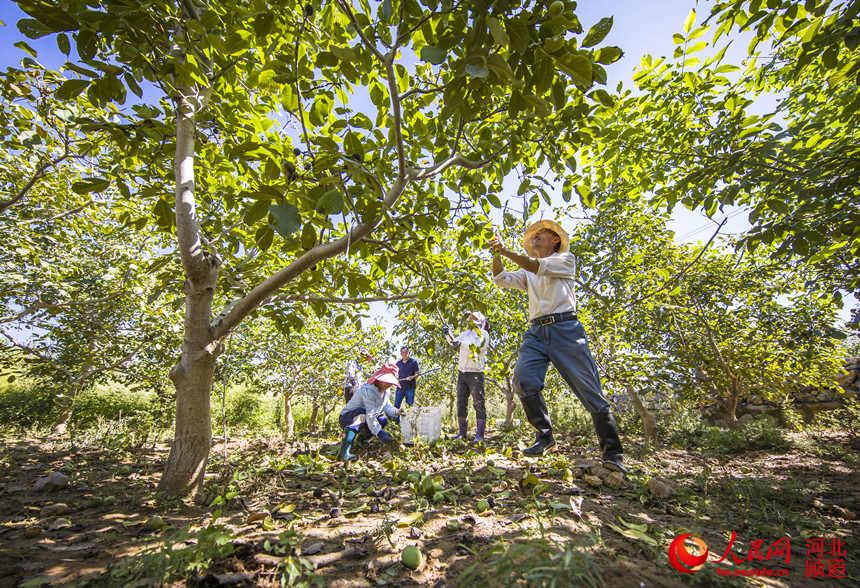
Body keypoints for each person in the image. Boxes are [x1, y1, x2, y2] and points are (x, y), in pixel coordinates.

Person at [489, 220, 626, 473]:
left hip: (565, 329)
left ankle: (612, 452)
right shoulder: (529, 273)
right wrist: (496, 254)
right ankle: (544, 436)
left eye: (541, 235)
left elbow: (534, 265)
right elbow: (500, 279)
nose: (535, 239)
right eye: (534, 237)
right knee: (523, 379)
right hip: (536, 332)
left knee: (589, 389)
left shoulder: (565, 260)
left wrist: (506, 251)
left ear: (555, 240)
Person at [338, 363, 403, 462]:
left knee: (382, 419)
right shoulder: (368, 390)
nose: (387, 384)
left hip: (366, 417)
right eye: (385, 381)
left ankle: (362, 441)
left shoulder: (386, 391)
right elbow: (370, 415)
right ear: (378, 379)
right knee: (362, 414)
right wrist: (380, 433)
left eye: (390, 382)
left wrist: (397, 411)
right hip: (348, 418)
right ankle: (344, 452)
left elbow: (387, 407)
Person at [443, 311, 490, 443]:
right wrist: (447, 334)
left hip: (475, 373)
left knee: (478, 403)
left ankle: (480, 435)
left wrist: (460, 344)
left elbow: (476, 347)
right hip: (462, 373)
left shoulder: (483, 334)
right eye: (469, 318)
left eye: (473, 318)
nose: (469, 320)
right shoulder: (464, 334)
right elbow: (454, 343)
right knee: (461, 402)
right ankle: (462, 433)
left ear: (479, 321)